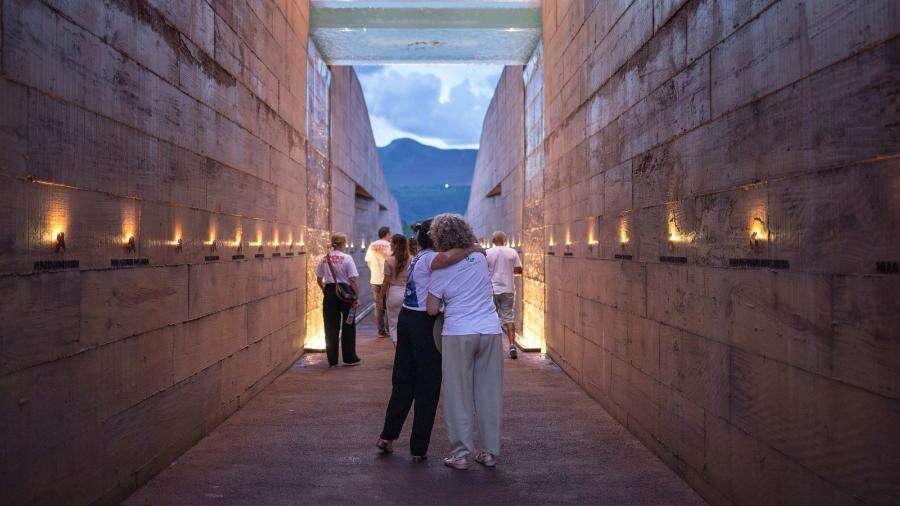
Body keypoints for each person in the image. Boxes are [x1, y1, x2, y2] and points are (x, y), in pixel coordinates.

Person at [377, 220, 474, 461]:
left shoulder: (418, 257)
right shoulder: (431, 257)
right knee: (428, 386)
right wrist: (471, 248)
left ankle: (387, 437)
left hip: (407, 319)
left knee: (402, 382)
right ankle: (418, 447)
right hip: (424, 324)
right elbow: (445, 260)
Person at [426, 214, 503, 470]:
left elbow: (432, 309)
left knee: (458, 394)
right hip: (490, 330)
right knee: (488, 392)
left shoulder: (438, 269)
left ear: (438, 237)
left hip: (458, 331)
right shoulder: (480, 257)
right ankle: (489, 453)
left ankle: (460, 455)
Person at [315, 234, 361, 368]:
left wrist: (325, 289)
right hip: (346, 295)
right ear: (344, 243)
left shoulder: (325, 259)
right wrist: (356, 296)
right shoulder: (347, 258)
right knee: (349, 325)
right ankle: (349, 357)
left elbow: (318, 279)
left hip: (329, 293)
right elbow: (352, 280)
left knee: (330, 327)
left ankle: (332, 360)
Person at [485, 231, 523, 359]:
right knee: (509, 317)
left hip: (492, 290)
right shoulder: (512, 252)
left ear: (492, 241)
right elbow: (519, 270)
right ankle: (512, 345)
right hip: (508, 289)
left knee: (491, 317)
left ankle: (492, 348)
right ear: (505, 240)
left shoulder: (487, 253)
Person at [382, 234, 410, 344]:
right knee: (407, 324)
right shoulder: (412, 260)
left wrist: (380, 297)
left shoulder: (389, 261)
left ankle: (398, 354)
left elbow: (386, 281)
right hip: (408, 293)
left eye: (391, 242)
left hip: (393, 293)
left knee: (394, 325)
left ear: (396, 245)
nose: (390, 244)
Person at [365, 226, 392, 338]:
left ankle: (381, 331)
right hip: (387, 279)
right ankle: (389, 329)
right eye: (389, 234)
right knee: (389, 305)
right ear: (386, 234)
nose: (390, 236)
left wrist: (374, 271)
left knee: (378, 305)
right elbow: (392, 262)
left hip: (375, 279)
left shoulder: (372, 245)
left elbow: (367, 261)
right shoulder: (390, 245)